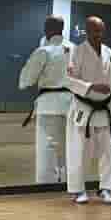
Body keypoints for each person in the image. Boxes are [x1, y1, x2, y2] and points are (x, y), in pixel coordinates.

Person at [65, 16, 111, 205]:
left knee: (109, 151)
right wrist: (91, 86)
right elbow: (69, 81)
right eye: (94, 30)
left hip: (106, 109)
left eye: (101, 31)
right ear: (87, 30)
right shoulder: (76, 52)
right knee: (79, 151)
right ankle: (78, 190)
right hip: (84, 108)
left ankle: (106, 189)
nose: (98, 34)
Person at [18, 16, 72, 183]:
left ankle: (46, 184)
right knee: (69, 147)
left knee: (48, 146)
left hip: (49, 104)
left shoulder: (45, 51)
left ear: (47, 29)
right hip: (73, 103)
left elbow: (26, 80)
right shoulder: (76, 49)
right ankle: (69, 182)